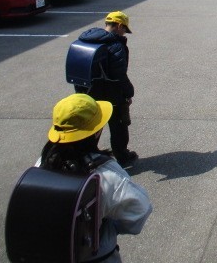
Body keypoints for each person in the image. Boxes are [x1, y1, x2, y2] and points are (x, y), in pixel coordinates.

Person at [39, 93, 152, 262]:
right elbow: (140, 210)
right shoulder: (106, 173)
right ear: (96, 131)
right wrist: (109, 227)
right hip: (95, 255)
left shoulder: (42, 163)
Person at [77, 11, 138, 167]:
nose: (124, 33)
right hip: (112, 94)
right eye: (124, 29)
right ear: (119, 25)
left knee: (93, 126)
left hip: (88, 92)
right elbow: (119, 75)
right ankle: (123, 157)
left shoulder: (86, 40)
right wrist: (129, 92)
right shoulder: (115, 46)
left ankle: (88, 156)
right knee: (119, 126)